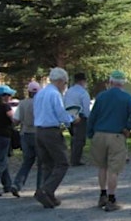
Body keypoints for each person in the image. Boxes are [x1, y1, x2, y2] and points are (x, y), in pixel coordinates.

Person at [87, 70, 131, 211]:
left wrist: (90, 133)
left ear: (110, 82)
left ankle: (102, 194)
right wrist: (129, 127)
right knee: (113, 169)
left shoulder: (101, 97)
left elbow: (93, 116)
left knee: (102, 167)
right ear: (123, 84)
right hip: (116, 135)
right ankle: (112, 199)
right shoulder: (127, 97)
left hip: (99, 134)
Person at [33, 67, 78, 208]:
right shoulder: (54, 94)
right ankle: (46, 189)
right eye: (65, 83)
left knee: (48, 163)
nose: (65, 86)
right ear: (59, 81)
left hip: (39, 130)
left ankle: (48, 195)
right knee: (62, 162)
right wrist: (72, 119)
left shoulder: (40, 93)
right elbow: (60, 113)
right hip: (51, 131)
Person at [10, 82, 42, 198]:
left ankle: (17, 184)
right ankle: (40, 189)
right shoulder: (40, 103)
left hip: (25, 134)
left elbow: (16, 121)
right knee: (41, 163)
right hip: (38, 134)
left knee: (27, 161)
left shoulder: (22, 104)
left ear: (28, 92)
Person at [64, 72, 91, 166]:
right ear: (83, 81)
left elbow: (65, 103)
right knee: (80, 139)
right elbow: (86, 107)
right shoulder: (83, 92)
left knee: (74, 138)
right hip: (80, 116)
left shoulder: (69, 91)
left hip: (69, 115)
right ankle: (76, 159)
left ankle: (73, 157)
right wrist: (88, 118)